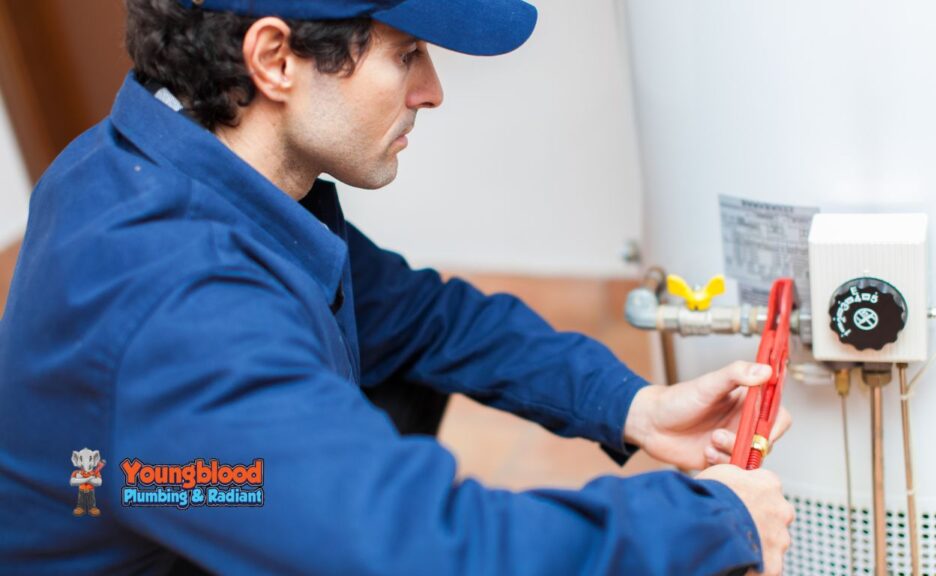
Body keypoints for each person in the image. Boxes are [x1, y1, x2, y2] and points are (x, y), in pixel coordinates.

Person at [0, 0, 794, 574]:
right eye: (406, 51)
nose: (432, 89)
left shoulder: (165, 159)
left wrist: (632, 406)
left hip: (183, 499)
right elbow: (424, 549)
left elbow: (423, 318)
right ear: (275, 60)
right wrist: (709, 523)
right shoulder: (182, 312)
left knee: (397, 368)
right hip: (167, 513)